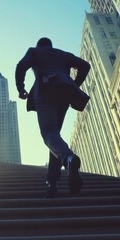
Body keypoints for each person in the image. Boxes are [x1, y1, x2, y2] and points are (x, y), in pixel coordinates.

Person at [15, 37, 91, 198]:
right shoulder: (64, 54)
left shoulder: (34, 51)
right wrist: (74, 84)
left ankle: (69, 158)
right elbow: (85, 66)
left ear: (39, 46)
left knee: (49, 134)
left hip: (45, 91)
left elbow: (21, 66)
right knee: (55, 135)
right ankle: (52, 182)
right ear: (51, 45)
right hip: (65, 93)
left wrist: (20, 88)